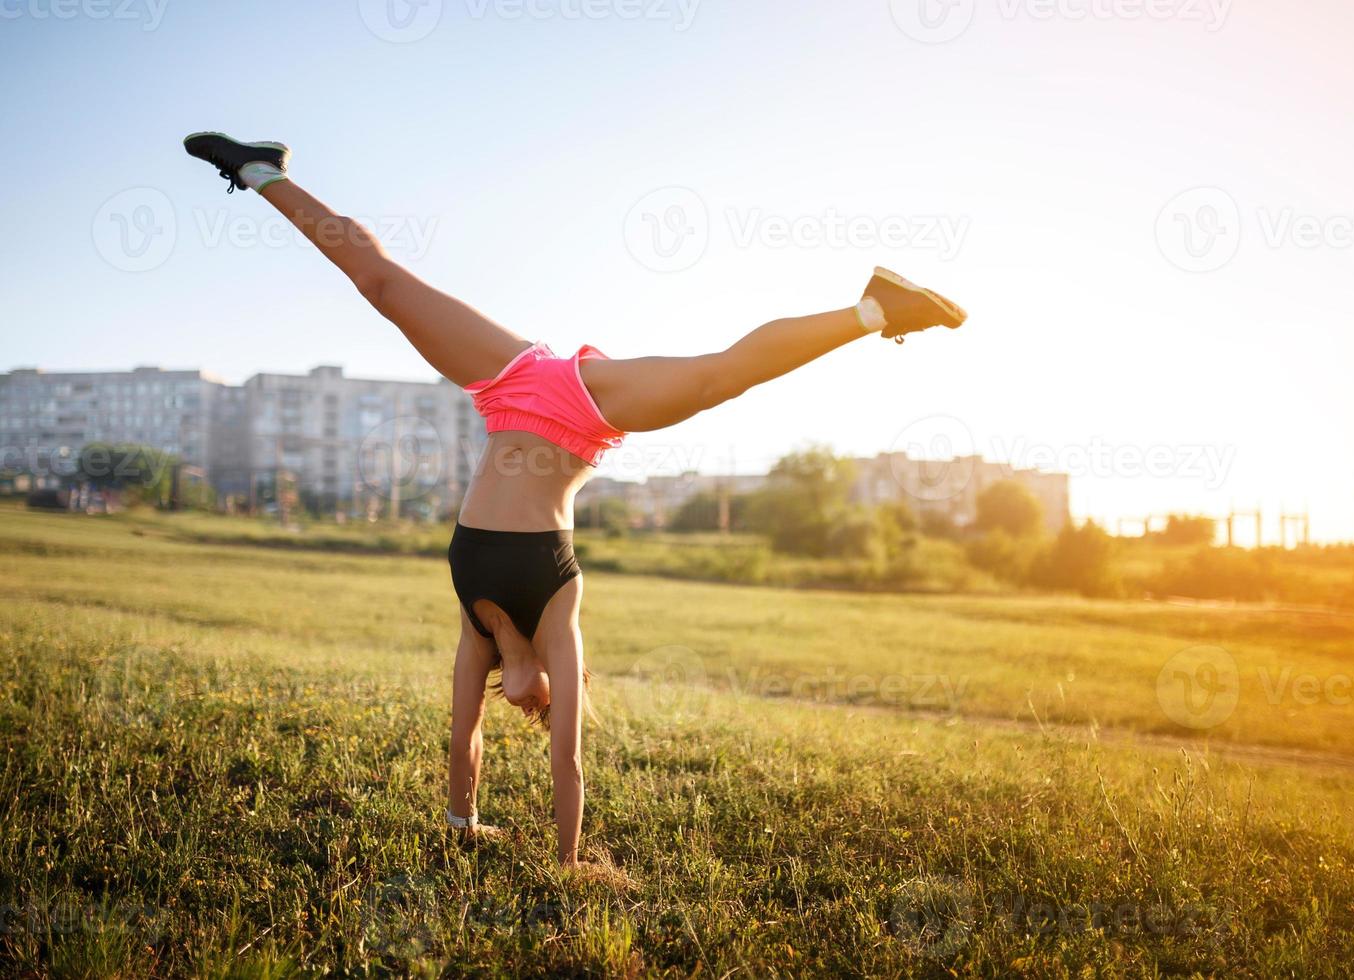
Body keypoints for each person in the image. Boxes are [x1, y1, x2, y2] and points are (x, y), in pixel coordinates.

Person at [183, 132, 968, 868]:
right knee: (705, 375)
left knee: (385, 287)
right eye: (545, 708)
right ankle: (266, 171)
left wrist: (464, 823)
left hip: (509, 385)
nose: (530, 711)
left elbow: (462, 742)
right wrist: (569, 863)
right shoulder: (559, 616)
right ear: (563, 687)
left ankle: (872, 310)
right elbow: (570, 759)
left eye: (520, 709)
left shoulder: (477, 632)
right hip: (580, 399)